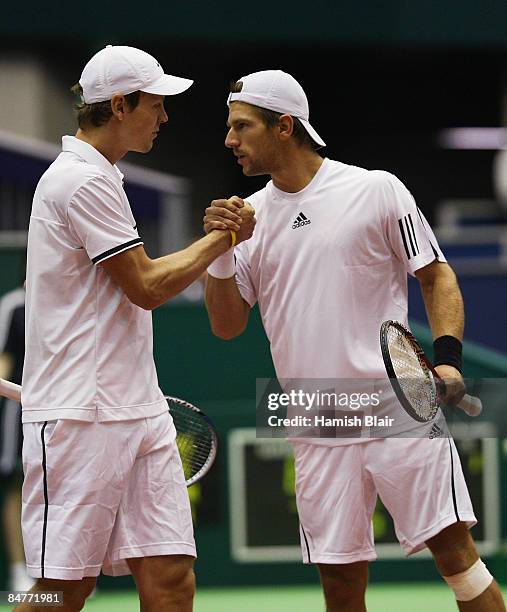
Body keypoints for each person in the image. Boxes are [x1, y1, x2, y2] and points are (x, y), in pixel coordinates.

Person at [204, 70, 506, 611]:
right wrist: (222, 249)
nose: (230, 140)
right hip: (315, 419)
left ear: (284, 126)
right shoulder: (248, 220)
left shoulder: (375, 189)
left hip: (397, 405)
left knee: (455, 556)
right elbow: (226, 325)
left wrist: (449, 361)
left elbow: (436, 275)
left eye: (241, 126)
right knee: (340, 586)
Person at [18, 45, 254, 612]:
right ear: (120, 106)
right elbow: (146, 286)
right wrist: (223, 238)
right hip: (80, 417)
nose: (165, 117)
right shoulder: (79, 181)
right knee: (59, 592)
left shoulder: (103, 178)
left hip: (141, 413)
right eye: (156, 104)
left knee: (171, 576)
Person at [0, 283, 34, 592]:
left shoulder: (71, 297)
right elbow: (4, 360)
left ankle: (65, 573)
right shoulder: (14, 305)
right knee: (17, 485)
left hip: (66, 407)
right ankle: (19, 572)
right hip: (19, 410)